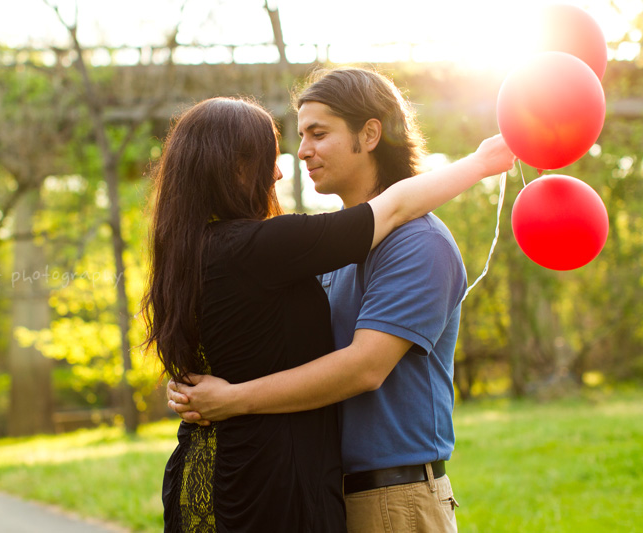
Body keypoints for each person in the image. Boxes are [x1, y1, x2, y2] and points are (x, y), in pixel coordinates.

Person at [145, 90, 514, 531]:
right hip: (278, 485)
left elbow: (361, 365)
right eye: (273, 154)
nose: (287, 164)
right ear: (236, 167)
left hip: (366, 495)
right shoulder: (268, 247)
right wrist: (479, 162)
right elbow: (391, 208)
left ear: (370, 134)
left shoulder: (189, 253)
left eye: (317, 134)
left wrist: (221, 396)